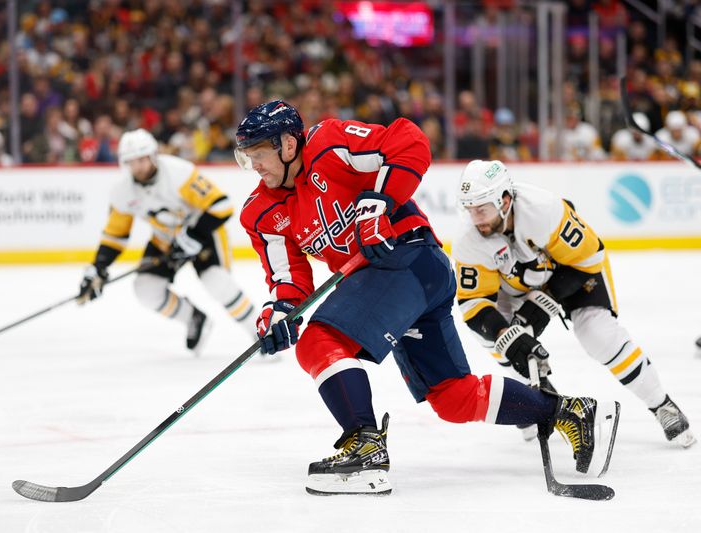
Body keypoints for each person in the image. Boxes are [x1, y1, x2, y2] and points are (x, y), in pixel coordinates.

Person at [235, 100, 621, 496]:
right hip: (399, 281)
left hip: (408, 258)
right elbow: (288, 277)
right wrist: (279, 311)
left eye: (259, 154)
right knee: (452, 397)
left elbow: (408, 141)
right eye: (247, 158)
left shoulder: (328, 144)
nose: (255, 166)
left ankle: (365, 447)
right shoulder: (261, 212)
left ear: (287, 144)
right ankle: (571, 412)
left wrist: (380, 201)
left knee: (321, 340)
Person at [451, 159, 694, 448]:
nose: (475, 218)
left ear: (504, 200)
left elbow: (589, 258)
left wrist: (546, 300)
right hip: (515, 287)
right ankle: (539, 402)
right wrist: (509, 336)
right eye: (469, 209)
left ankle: (661, 403)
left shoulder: (544, 210)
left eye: (481, 208)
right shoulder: (469, 239)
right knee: (501, 340)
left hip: (571, 273)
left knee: (598, 335)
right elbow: (474, 303)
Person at [78, 129, 258, 355]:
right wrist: (98, 267)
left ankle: (260, 331)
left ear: (153, 155)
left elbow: (221, 205)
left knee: (216, 282)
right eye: (132, 162)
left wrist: (194, 235)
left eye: (142, 159)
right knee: (146, 288)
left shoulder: (178, 173)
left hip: (204, 234)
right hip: (166, 240)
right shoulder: (122, 192)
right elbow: (115, 234)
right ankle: (194, 318)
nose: (139, 166)